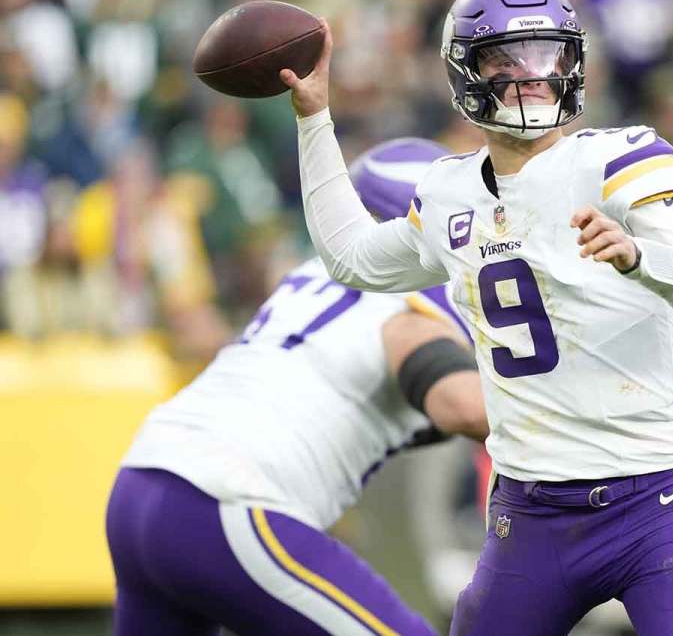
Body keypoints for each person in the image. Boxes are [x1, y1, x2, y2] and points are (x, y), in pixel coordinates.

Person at [281, 0, 673, 635]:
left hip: (655, 499)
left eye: (546, 56)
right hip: (532, 516)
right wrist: (314, 120)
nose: (531, 76)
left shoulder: (619, 161)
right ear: (465, 74)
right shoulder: (448, 193)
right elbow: (352, 258)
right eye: (506, 60)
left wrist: (639, 256)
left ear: (572, 64)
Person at [106, 138, 487, 636]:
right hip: (228, 502)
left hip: (141, 482)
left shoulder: (313, 273)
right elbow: (457, 402)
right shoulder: (409, 293)